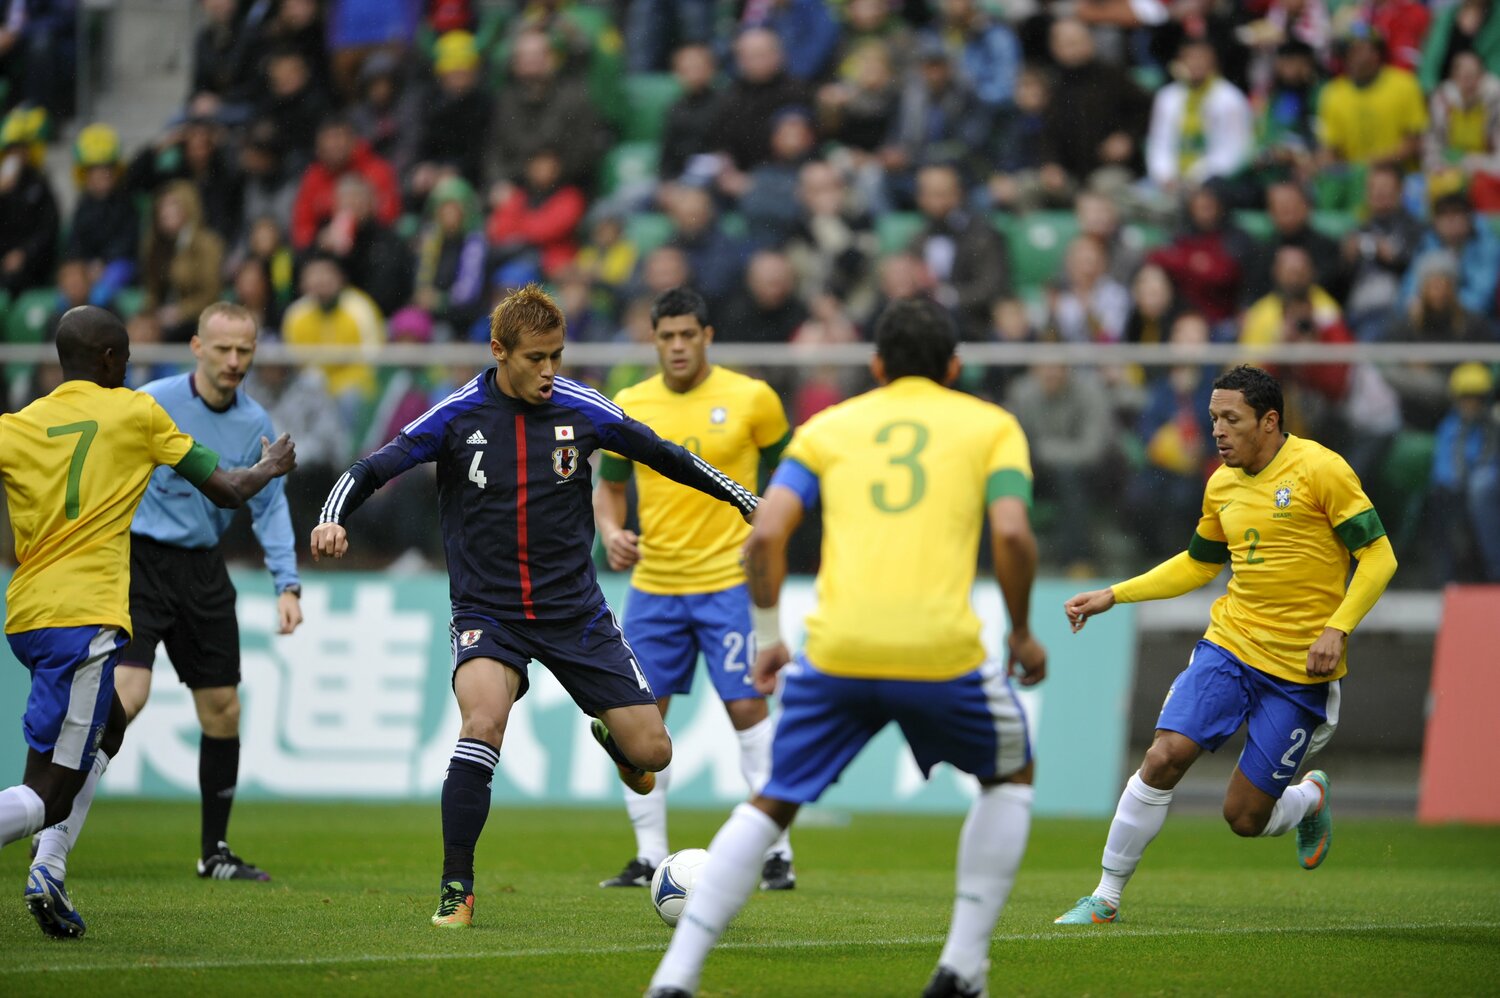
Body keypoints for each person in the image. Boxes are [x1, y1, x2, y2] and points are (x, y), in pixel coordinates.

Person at [309, 284, 761, 929]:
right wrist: (332, 518)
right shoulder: (457, 415)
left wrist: (743, 499)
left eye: (558, 355)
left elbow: (667, 456)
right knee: (482, 725)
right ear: (499, 351)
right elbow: (371, 468)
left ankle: (613, 734)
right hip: (488, 613)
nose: (551, 371)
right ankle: (456, 889)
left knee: (653, 754)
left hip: (575, 613)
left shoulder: (584, 409)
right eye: (536, 358)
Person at [646, 297, 1047, 998]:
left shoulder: (829, 427)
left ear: (877, 364)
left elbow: (766, 534)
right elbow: (1012, 533)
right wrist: (1020, 631)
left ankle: (675, 978)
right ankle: (962, 968)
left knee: (771, 802)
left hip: (835, 652)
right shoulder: (992, 426)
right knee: (1010, 777)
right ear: (954, 366)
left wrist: (768, 640)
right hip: (939, 653)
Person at [1054, 365, 1397, 926]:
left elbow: (1379, 556)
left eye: (1230, 419)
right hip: (1230, 648)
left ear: (1269, 421)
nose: (1218, 430)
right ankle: (1105, 896)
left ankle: (1309, 799)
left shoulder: (1321, 469)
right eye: (1214, 418)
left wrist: (1337, 627)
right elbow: (1198, 564)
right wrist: (1115, 595)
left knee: (1242, 816)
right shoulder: (1222, 482)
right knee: (1165, 756)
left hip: (1299, 672)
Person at [0, 307, 295, 939]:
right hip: (89, 616)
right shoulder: (137, 411)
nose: (130, 366)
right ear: (109, 361)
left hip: (27, 615)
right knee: (52, 791)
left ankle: (48, 871)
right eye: (127, 356)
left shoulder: (16, 426)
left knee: (79, 743)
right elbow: (227, 488)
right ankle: (48, 859)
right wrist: (270, 469)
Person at [593, 287, 794, 892]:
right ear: (654, 341)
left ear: (707, 336)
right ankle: (650, 855)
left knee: (748, 710)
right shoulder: (629, 403)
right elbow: (612, 484)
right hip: (654, 588)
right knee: (637, 724)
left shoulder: (753, 399)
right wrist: (610, 530)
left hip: (729, 583)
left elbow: (791, 477)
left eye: (688, 335)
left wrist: (772, 529)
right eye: (666, 337)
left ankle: (775, 852)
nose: (677, 346)